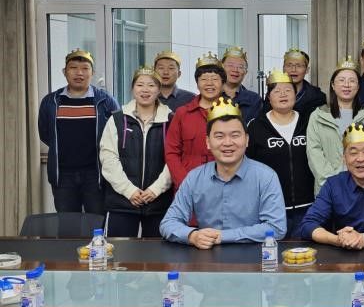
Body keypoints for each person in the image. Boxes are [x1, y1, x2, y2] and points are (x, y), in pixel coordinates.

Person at [160, 98, 286, 247]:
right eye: (219, 136)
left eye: (235, 135)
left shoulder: (266, 177)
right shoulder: (195, 177)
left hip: (254, 257)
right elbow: (168, 223)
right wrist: (192, 235)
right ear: (208, 142)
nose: (227, 143)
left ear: (246, 140)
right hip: (207, 256)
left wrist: (223, 236)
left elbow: (276, 228)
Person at [38, 49, 120, 214]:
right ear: (65, 72)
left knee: (97, 222)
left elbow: (119, 132)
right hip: (63, 176)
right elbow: (45, 134)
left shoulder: (106, 100)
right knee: (67, 223)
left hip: (96, 174)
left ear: (92, 73)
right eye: (73, 68)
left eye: (85, 68)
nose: (79, 73)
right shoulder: (51, 101)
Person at [99, 65, 173, 237]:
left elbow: (174, 159)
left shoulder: (171, 120)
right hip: (121, 203)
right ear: (132, 89)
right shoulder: (117, 119)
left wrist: (156, 189)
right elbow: (108, 158)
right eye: (140, 85)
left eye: (151, 85)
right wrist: (129, 190)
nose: (145, 90)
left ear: (159, 90)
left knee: (158, 252)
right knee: (119, 251)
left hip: (159, 203)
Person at [246, 69, 313, 237]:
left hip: (308, 207)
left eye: (288, 90)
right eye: (276, 91)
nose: (283, 94)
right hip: (270, 208)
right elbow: (248, 166)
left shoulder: (309, 122)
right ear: (269, 97)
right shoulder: (255, 126)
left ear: (296, 94)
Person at [307, 55, 364, 194]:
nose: (347, 85)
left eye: (352, 81)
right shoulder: (318, 116)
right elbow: (314, 152)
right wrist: (333, 183)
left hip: (362, 187)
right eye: (341, 80)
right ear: (333, 85)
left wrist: (359, 180)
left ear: (358, 86)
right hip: (327, 188)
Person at [164, 52, 227, 189]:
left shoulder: (232, 113)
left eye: (215, 79)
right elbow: (171, 152)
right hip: (187, 184)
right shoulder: (182, 113)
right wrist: (184, 182)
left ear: (223, 84)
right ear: (197, 84)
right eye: (204, 79)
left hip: (223, 184)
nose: (209, 83)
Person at [280, 48, 327, 118]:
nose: (293, 70)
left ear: (307, 70)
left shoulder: (317, 96)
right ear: (283, 69)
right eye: (289, 65)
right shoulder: (273, 93)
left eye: (299, 66)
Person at [220, 46, 261, 125]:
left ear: (245, 72)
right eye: (230, 65)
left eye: (240, 67)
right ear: (221, 68)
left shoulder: (254, 100)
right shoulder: (212, 96)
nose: (235, 70)